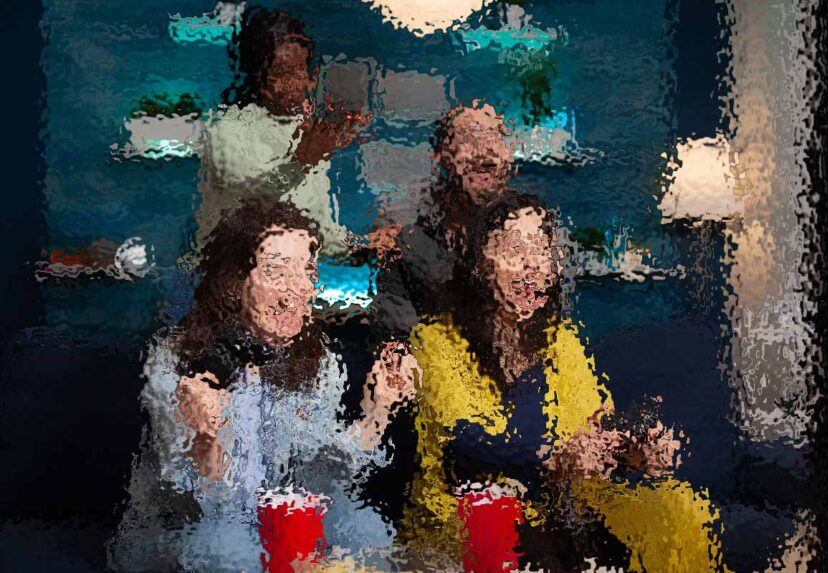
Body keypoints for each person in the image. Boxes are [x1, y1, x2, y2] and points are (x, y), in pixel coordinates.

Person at [372, 193, 728, 571]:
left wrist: (627, 450)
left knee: (678, 508)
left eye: (542, 251)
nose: (532, 265)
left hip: (561, 510)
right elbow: (468, 446)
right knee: (495, 514)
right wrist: (557, 459)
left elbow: (595, 424)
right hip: (470, 520)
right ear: (479, 266)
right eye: (515, 250)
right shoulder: (436, 341)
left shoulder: (563, 341)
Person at [109, 197, 418, 572]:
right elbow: (206, 506)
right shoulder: (176, 362)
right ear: (233, 284)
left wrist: (377, 412)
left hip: (272, 526)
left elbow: (317, 482)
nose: (296, 290)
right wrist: (206, 438)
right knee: (227, 547)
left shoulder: (319, 359)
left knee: (365, 527)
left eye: (307, 272)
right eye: (276, 271)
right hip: (186, 532)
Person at [195, 7, 372, 261]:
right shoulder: (226, 131)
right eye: (280, 73)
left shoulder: (304, 131)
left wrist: (361, 249)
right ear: (256, 76)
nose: (293, 85)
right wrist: (300, 163)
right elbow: (248, 206)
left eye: (299, 71)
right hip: (233, 268)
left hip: (289, 270)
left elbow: (317, 225)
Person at [371, 102, 517, 337]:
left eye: (493, 136)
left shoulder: (523, 222)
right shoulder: (405, 223)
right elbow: (396, 329)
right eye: (470, 138)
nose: (485, 150)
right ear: (440, 159)